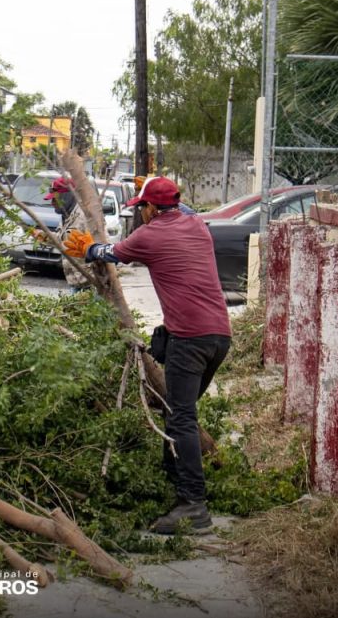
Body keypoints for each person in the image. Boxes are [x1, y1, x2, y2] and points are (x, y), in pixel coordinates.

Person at [63, 176, 232, 534]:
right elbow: (182, 207)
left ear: (151, 209)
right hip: (219, 337)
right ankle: (172, 484)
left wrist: (86, 248)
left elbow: (108, 253)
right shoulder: (196, 225)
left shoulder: (149, 235)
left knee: (181, 417)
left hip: (189, 340)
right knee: (175, 414)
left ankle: (193, 506)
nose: (139, 214)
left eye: (141, 207)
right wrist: (155, 190)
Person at [35, 177, 91, 291]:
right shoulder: (67, 216)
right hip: (76, 282)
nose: (52, 203)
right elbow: (63, 241)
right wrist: (43, 236)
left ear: (67, 196)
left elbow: (103, 247)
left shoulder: (85, 216)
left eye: (55, 199)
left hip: (91, 283)